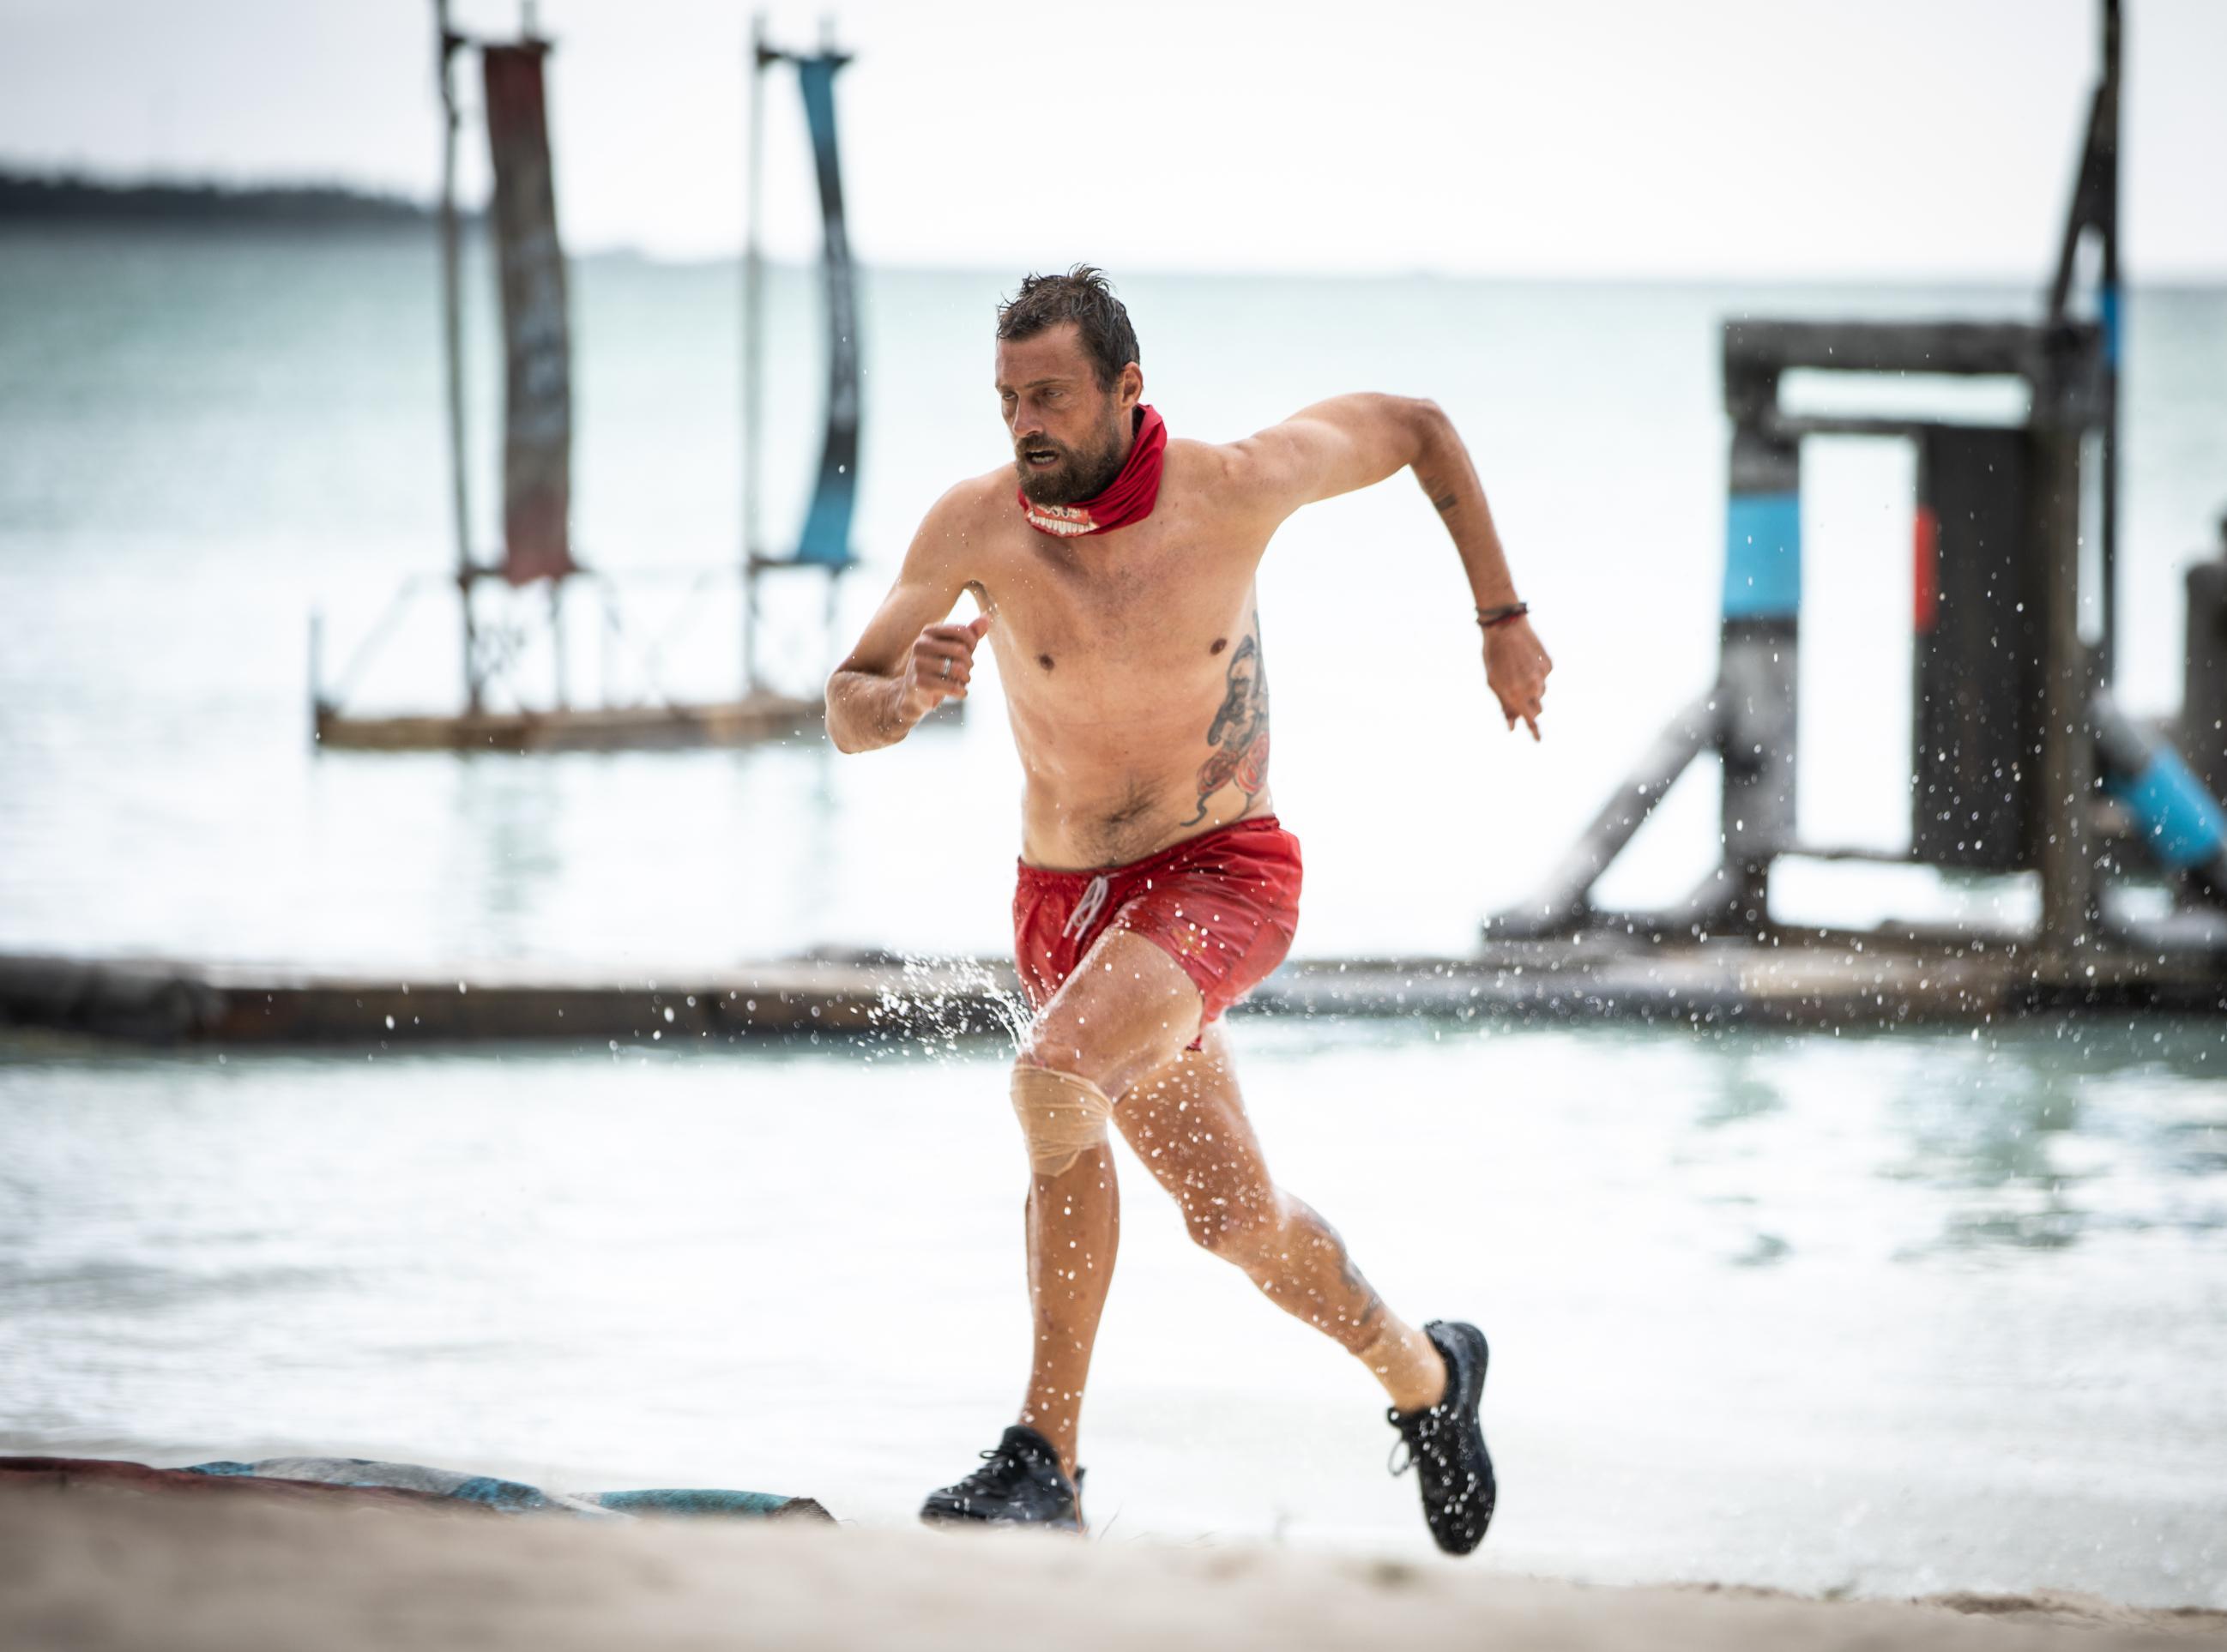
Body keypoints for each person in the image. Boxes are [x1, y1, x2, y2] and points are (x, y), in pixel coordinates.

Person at [825, 267, 1551, 1555]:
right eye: (1007, 400)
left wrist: (1501, 618)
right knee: (1235, 1221)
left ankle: (1045, 1461)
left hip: (1221, 873)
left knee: (1054, 1079)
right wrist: (909, 697)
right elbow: (847, 708)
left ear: (1127, 387)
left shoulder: (1237, 487)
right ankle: (1432, 1376)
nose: (1025, 425)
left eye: (1050, 397)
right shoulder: (975, 526)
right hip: (1066, 911)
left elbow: (1420, 427)